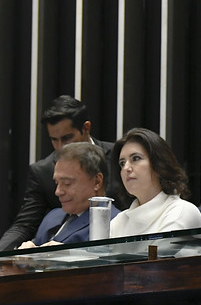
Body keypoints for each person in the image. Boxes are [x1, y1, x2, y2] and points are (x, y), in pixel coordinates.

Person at [0, 95, 124, 251]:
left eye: (67, 138)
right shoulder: (43, 172)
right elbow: (25, 224)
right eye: (54, 139)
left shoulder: (120, 158)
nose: (60, 147)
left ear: (86, 128)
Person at [18, 142, 119, 248]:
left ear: (97, 181)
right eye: (57, 183)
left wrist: (67, 255)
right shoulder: (53, 216)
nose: (58, 191)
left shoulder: (112, 223)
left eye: (67, 183)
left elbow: (104, 262)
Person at [109, 127, 201, 237]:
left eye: (135, 158)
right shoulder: (118, 222)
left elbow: (160, 254)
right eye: (122, 163)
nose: (126, 168)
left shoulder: (182, 211)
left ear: (159, 164)